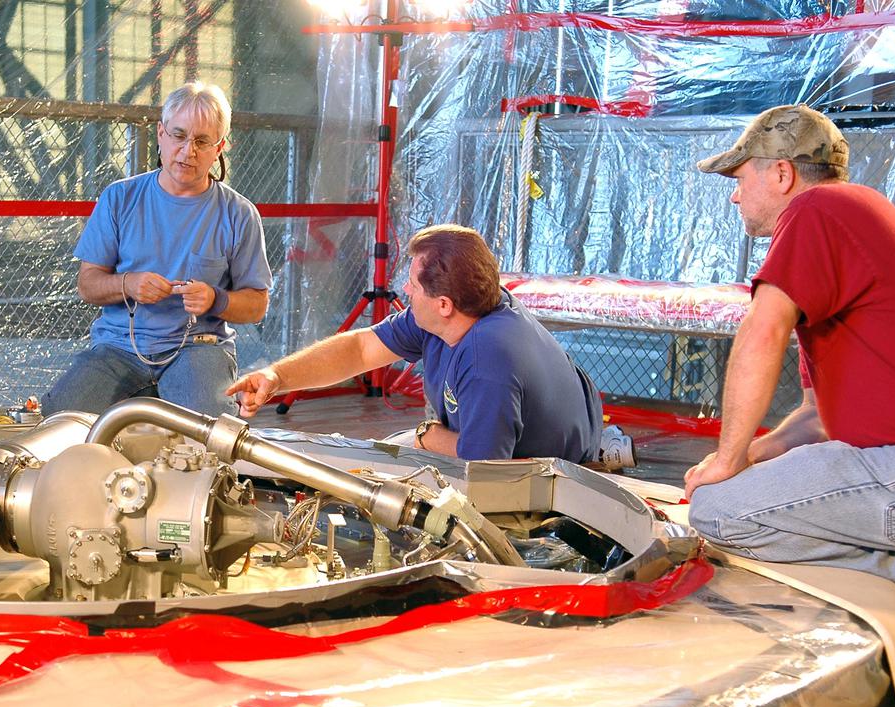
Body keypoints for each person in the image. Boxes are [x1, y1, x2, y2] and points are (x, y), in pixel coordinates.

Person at [684, 104, 895, 594]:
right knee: (740, 487)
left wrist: (726, 462)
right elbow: (816, 417)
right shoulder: (859, 211)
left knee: (718, 511)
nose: (735, 195)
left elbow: (762, 332)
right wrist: (749, 454)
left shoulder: (815, 211)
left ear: (782, 173)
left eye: (741, 177)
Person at [228, 224, 626, 466]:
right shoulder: (456, 309)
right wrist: (276, 376)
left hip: (555, 461)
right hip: (555, 415)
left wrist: (426, 436)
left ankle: (594, 451)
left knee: (377, 467)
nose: (405, 290)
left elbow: (483, 468)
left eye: (413, 285)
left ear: (444, 304)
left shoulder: (487, 359)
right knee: (382, 454)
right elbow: (361, 349)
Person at [43, 81, 271, 417]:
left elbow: (256, 305)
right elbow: (87, 285)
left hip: (199, 347)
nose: (187, 151)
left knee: (206, 433)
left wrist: (215, 299)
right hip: (119, 347)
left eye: (202, 141)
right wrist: (128, 284)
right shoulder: (119, 198)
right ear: (161, 134)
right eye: (179, 136)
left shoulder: (238, 213)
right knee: (61, 418)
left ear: (220, 147)